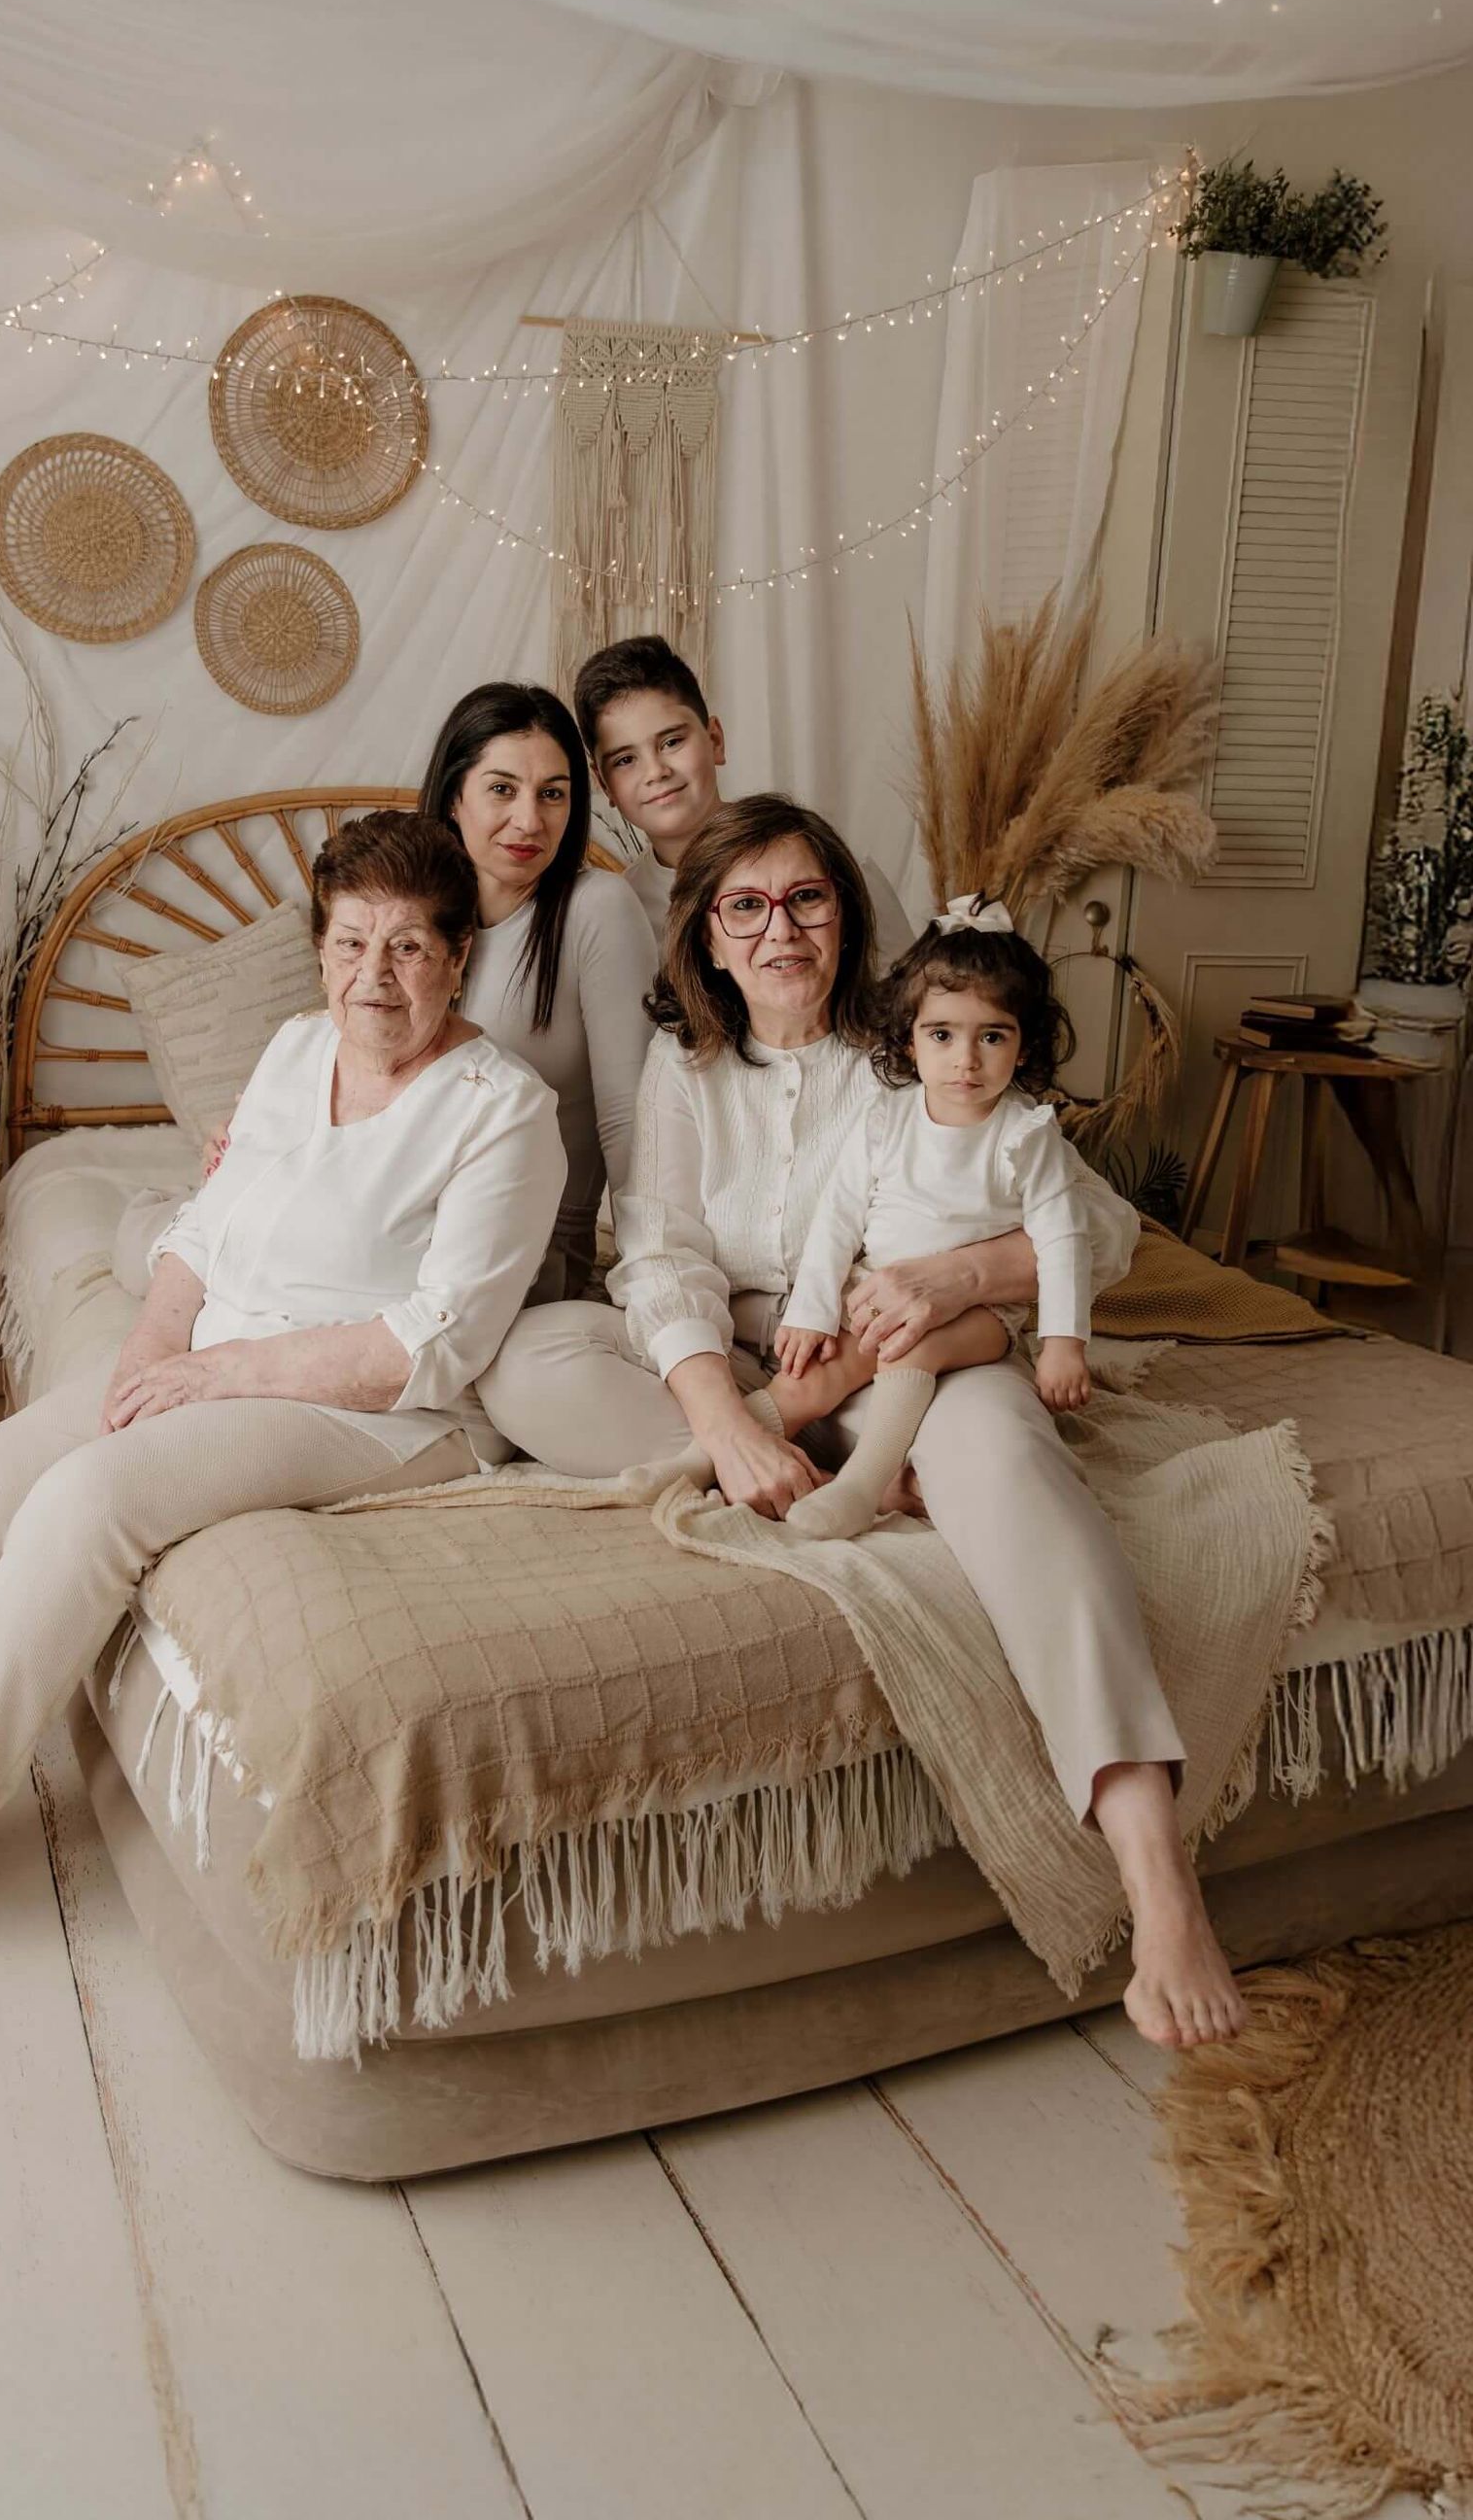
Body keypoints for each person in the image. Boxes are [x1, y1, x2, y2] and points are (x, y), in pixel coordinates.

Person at [0, 811, 566, 1931]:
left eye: (406, 947)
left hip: (387, 1407)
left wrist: (230, 1373)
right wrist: (151, 1351)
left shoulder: (504, 1113)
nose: (373, 977)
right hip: (224, 1350)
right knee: (0, 1467)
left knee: (91, 1499)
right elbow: (201, 1230)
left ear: (458, 957)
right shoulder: (298, 1051)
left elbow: (437, 1341)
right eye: (350, 944)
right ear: (320, 950)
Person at [478, 794, 1245, 2049]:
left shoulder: (929, 1045)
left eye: (807, 899)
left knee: (1014, 1471)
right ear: (710, 936)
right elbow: (660, 1254)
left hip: (919, 1356)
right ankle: (796, 1449)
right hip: (753, 1355)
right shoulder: (684, 1071)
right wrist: (725, 1416)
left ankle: (1156, 1874)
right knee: (530, 1360)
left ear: (845, 916)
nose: (779, 929)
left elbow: (1097, 1230)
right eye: (747, 906)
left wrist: (959, 1285)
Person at [777, 892, 1097, 1541]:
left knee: (911, 1345)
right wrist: (811, 1309)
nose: (967, 1060)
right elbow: (836, 1221)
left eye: (993, 1036)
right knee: (818, 1374)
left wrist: (1065, 1343)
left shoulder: (1027, 1136)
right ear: (910, 1039)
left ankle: (862, 1487)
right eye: (942, 1034)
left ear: (1025, 1045)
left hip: (982, 1319)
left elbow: (1065, 1242)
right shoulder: (886, 1120)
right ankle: (696, 1458)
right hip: (879, 1290)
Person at [420, 681, 657, 1299]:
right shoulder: (410, 917)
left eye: (553, 794)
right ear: (453, 797)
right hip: (403, 1221)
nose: (529, 820)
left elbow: (629, 1114)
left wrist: (655, 1275)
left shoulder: (596, 909)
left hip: (528, 1248)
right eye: (502, 789)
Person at [573, 632, 915, 968]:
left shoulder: (821, 862)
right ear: (604, 784)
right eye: (625, 760)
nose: (656, 771)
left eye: (672, 742)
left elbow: (911, 1000)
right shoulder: (620, 911)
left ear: (715, 740)